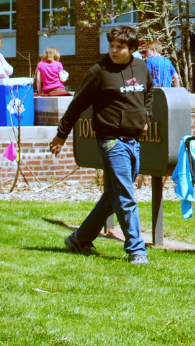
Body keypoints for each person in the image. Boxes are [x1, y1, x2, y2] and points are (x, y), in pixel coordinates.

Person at [52, 25, 154, 264]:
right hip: (111, 140)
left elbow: (149, 91)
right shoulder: (99, 72)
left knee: (114, 195)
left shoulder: (141, 67)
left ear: (132, 49)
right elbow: (77, 104)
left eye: (120, 47)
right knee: (126, 194)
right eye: (112, 46)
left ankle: (79, 239)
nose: (114, 50)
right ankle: (136, 250)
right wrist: (61, 134)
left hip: (133, 140)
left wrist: (146, 116)